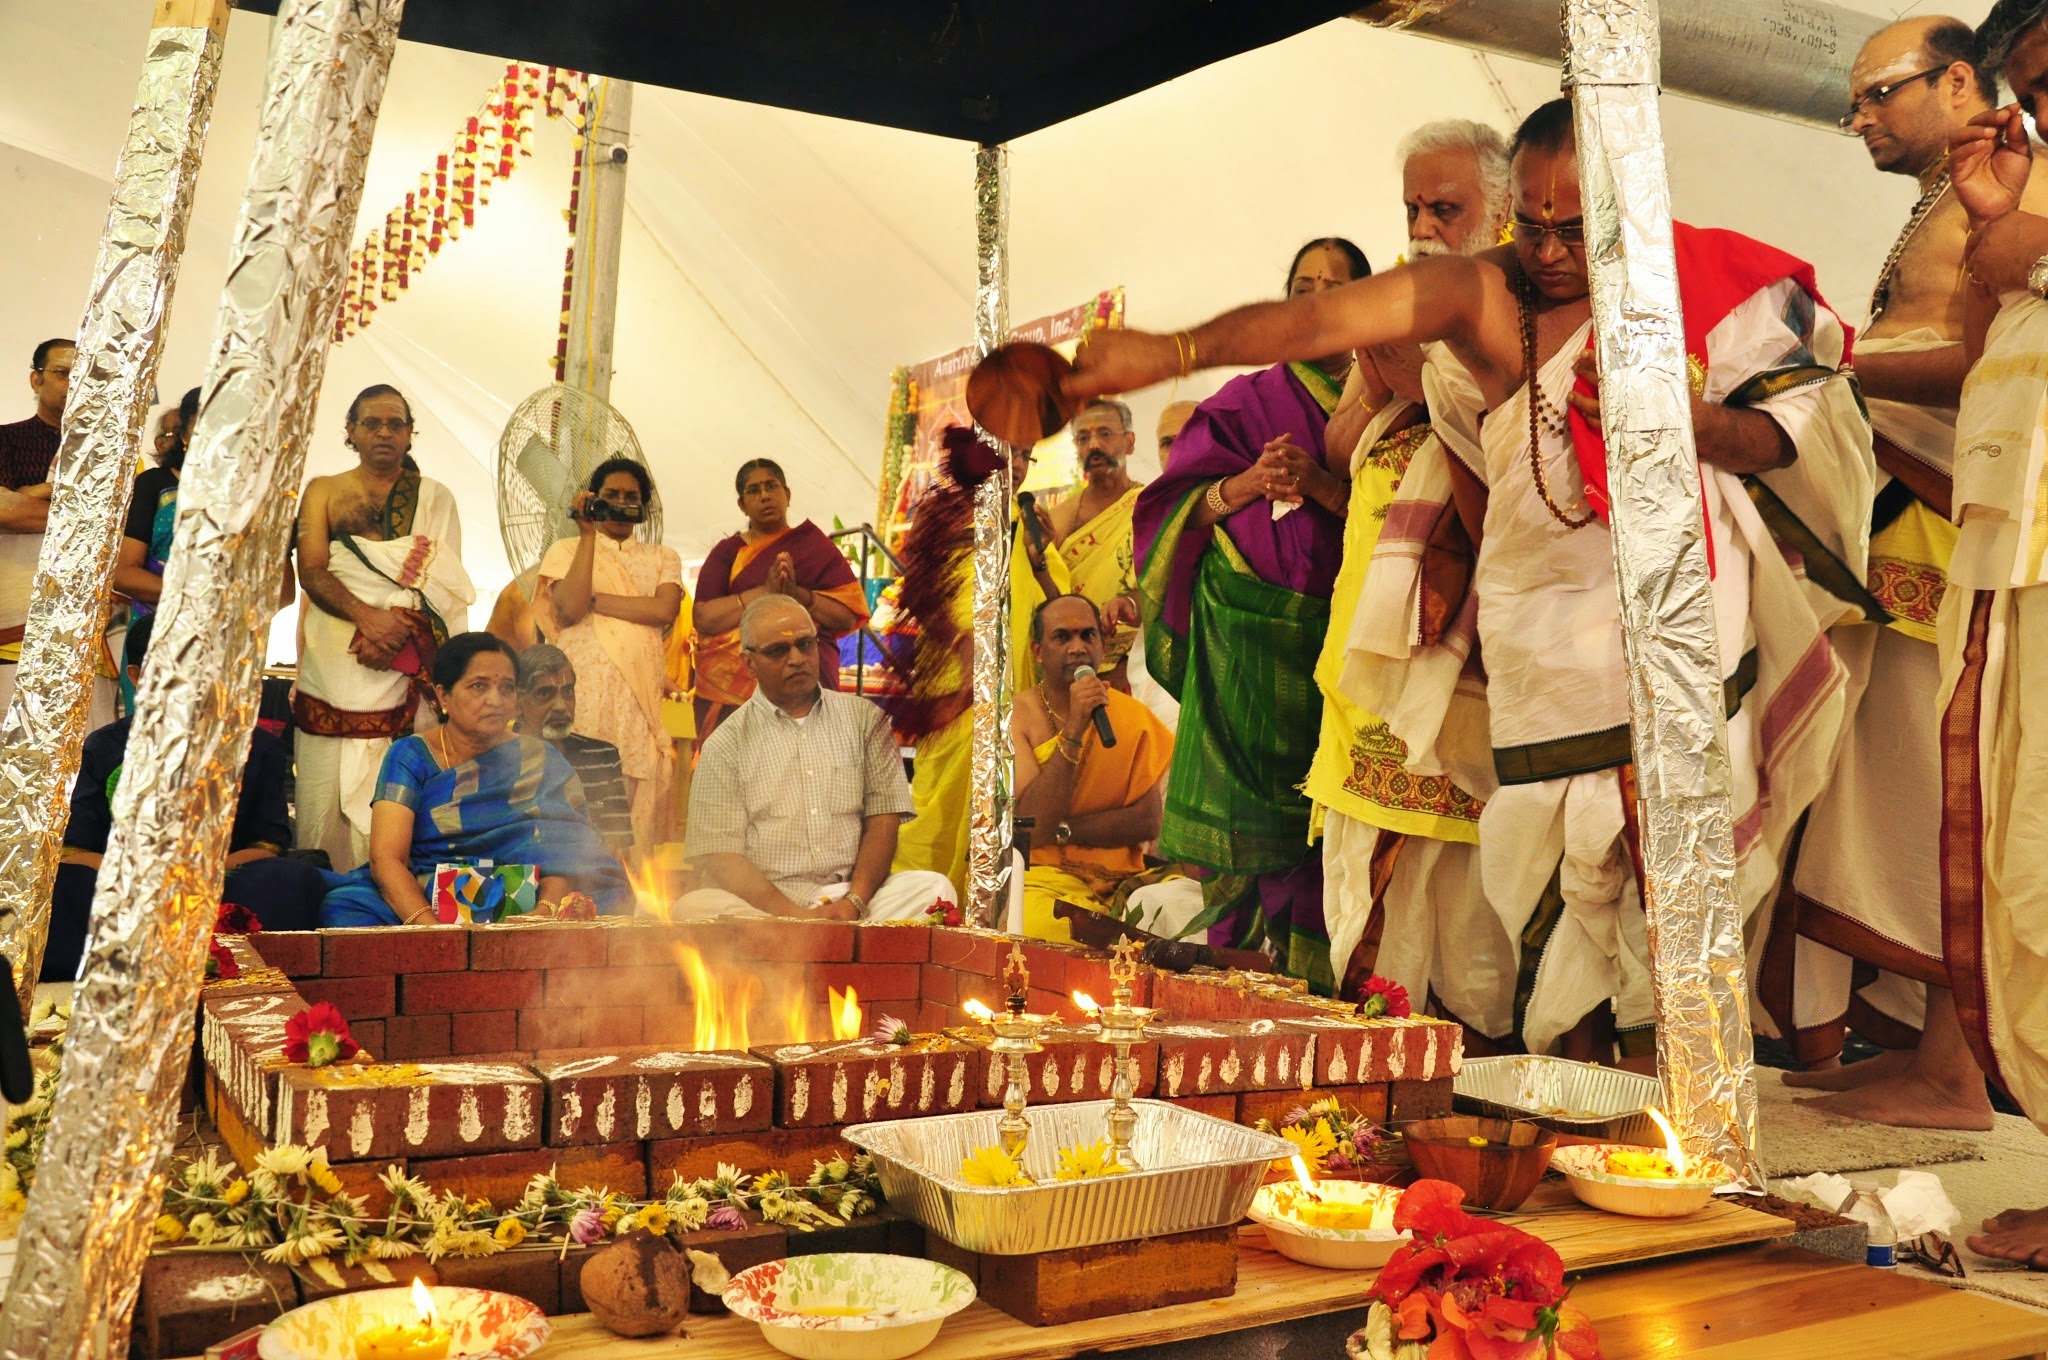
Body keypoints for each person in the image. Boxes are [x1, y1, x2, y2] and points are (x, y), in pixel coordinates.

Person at [1072, 100, 1870, 1060]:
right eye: (1529, 226)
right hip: (1542, 643)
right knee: (1554, 888)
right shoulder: (1480, 293)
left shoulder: (1703, 290)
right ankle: (1584, 1094)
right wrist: (1174, 351)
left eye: (1574, 231)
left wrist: (1686, 422)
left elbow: (1789, 435)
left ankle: (1683, 1101)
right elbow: (1320, 316)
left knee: (1674, 877)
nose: (1549, 252)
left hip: (1675, 625)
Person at [1763, 18, 2039, 1128]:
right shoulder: (1954, 198)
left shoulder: (2015, 185)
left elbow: (1981, 360)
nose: (1860, 118)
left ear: (1958, 79)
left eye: (1879, 93)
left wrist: (1822, 365)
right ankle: (1928, 1054)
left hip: (1963, 524)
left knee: (1942, 791)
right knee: (1894, 792)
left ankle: (1955, 1074)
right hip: (1920, 524)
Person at [1305, 119, 1514, 1040]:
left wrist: (1438, 377)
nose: (1425, 228)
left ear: (1503, 210)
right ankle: (1375, 1075)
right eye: (1413, 209)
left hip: (1470, 657)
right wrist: (1386, 374)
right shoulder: (1397, 296)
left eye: (1446, 209)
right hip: (1372, 652)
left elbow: (1523, 483)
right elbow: (1340, 444)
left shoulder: (1523, 306)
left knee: (1468, 917)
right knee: (1369, 910)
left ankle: (1467, 1080)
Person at [1127, 236, 1369, 992]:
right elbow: (1169, 512)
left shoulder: (1393, 397)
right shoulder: (1242, 402)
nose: (1315, 300)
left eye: (1334, 286)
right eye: (1302, 287)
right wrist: (1247, 483)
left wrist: (1323, 486)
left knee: (1330, 841)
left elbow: (1407, 507)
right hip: (1242, 652)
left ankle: (1325, 1000)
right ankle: (1237, 1000)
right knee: (1244, 852)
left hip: (1345, 651)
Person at [1920, 0, 2048, 1266]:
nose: (2043, 114)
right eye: (2032, 92)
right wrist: (1988, 235)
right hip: (2010, 568)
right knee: (2023, 872)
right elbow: (1977, 359)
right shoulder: (2025, 201)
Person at [46, 615, 327, 978]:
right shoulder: (104, 748)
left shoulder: (256, 747)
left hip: (219, 882)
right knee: (61, 887)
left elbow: (267, 845)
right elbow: (75, 850)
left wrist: (198, 874)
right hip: (127, 887)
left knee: (292, 880)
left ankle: (228, 966)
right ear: (137, 676)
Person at [319, 632, 628, 926]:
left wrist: (543, 913)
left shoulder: (540, 759)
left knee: (609, 897)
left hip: (524, 894)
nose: (495, 700)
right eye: (479, 686)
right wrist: (430, 931)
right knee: (345, 907)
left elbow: (565, 856)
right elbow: (387, 858)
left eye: (507, 688)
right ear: (443, 695)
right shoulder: (410, 755)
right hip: (430, 891)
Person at [679, 596, 954, 922]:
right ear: (749, 663)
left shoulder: (865, 720)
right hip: (765, 907)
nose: (796, 659)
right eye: (778, 651)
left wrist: (854, 901)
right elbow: (721, 855)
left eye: (804, 644)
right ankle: (810, 937)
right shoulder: (725, 744)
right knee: (693, 909)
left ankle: (830, 933)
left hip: (850, 897)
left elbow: (883, 822)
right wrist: (794, 917)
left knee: (935, 890)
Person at [293, 384, 474, 873]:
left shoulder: (435, 497)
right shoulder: (322, 490)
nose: (384, 433)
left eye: (396, 424)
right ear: (350, 431)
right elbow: (312, 571)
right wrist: (369, 619)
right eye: (372, 423)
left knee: (394, 806)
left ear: (410, 434)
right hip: (331, 669)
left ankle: (388, 895)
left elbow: (444, 584)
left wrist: (398, 636)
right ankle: (321, 893)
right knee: (321, 805)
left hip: (403, 669)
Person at [890, 436, 1071, 898]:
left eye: (1025, 455)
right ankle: (921, 906)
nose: (1017, 465)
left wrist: (1039, 562)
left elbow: (1059, 610)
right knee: (939, 806)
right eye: (1008, 452)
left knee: (1002, 803)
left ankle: (985, 907)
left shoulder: (1031, 526)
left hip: (1015, 692)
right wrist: (960, 641)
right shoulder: (944, 515)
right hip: (957, 686)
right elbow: (918, 595)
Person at [1012, 594, 1197, 942]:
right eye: (1062, 637)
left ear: (1103, 644)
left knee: (1184, 910)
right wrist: (1074, 730)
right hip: (1044, 879)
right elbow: (1032, 825)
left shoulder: (1130, 715)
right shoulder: (1018, 717)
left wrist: (1065, 831)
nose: (1078, 647)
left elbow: (1147, 820)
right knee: (1040, 927)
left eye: (1088, 635)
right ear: (1038, 651)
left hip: (1123, 881)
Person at [534, 457, 683, 856]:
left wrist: (595, 601)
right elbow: (569, 608)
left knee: (631, 816)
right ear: (594, 500)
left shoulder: (662, 557)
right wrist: (587, 535)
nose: (621, 503)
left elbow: (664, 610)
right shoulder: (566, 550)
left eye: (631, 497)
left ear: (644, 506)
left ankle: (626, 890)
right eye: (611, 495)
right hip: (584, 697)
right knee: (580, 797)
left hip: (638, 702)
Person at [691, 458, 871, 748]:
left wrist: (798, 595)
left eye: (771, 486)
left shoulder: (813, 547)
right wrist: (766, 592)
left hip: (809, 677)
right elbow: (704, 619)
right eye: (754, 490)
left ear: (787, 494)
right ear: (742, 505)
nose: (764, 495)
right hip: (737, 691)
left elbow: (847, 617)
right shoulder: (728, 552)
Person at [1048, 401, 1145, 685]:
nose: (1093, 445)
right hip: (1070, 670)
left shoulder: (1150, 506)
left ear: (1129, 442)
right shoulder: (1059, 519)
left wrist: (1129, 602)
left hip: (1136, 667)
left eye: (1105, 434)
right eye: (1083, 438)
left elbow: (1164, 586)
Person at [515, 642, 635, 858]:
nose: (561, 706)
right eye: (545, 693)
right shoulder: (499, 759)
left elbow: (617, 848)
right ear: (517, 703)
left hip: (592, 873)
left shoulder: (602, 756)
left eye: (568, 692)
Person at [0, 340, 66, 712]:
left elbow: (126, 525)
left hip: (97, 625)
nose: (75, 382)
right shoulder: (7, 439)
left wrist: (32, 493)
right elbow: (6, 511)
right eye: (62, 373)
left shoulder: (119, 449)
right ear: (36, 380)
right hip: (17, 623)